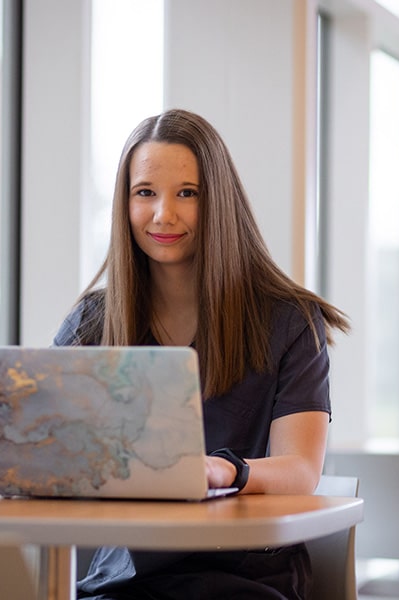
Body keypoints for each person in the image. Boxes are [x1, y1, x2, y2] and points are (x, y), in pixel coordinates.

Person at [53, 108, 350, 600]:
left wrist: (226, 470)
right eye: (144, 193)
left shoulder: (290, 321)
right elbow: (52, 456)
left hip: (245, 580)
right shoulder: (91, 323)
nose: (163, 214)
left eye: (187, 193)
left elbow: (301, 469)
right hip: (124, 582)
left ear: (218, 202)